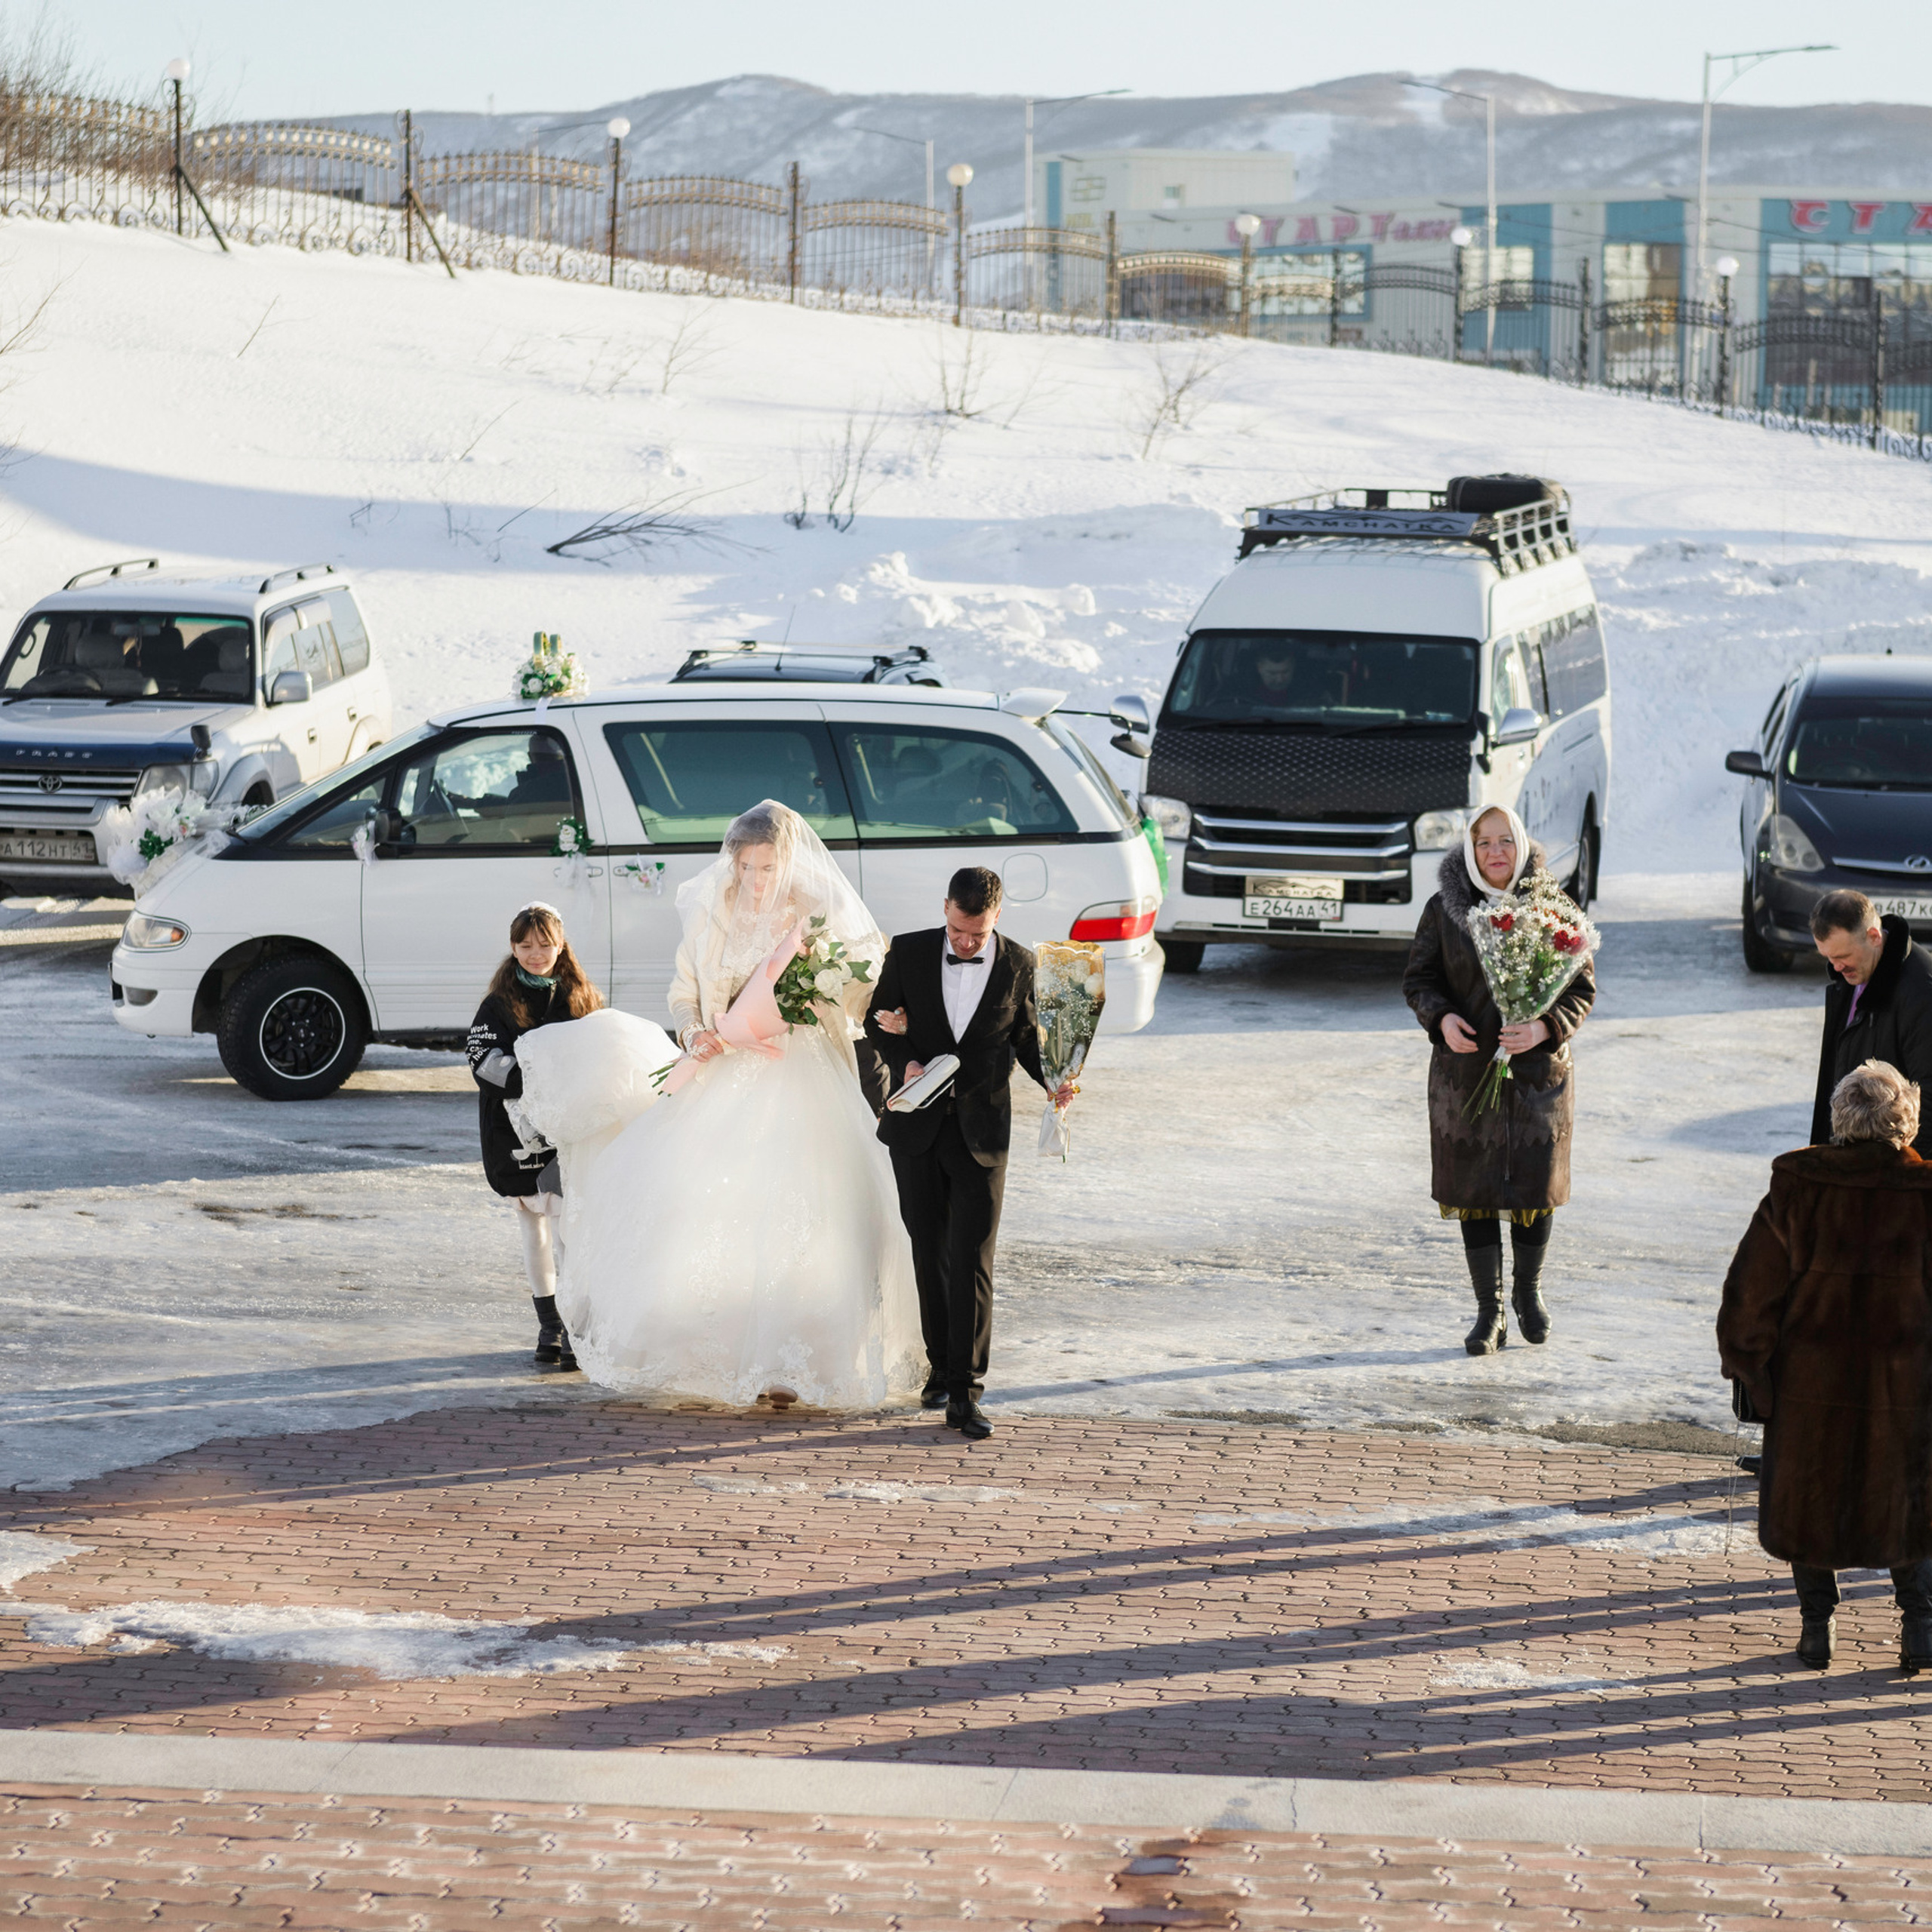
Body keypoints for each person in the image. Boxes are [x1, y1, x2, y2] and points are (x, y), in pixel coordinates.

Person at [543, 801, 924, 1409]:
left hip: (800, 1074)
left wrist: (823, 994)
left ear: (788, 861)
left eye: (768, 866)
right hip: (723, 1070)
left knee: (804, 1215)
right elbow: (683, 991)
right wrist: (695, 1030)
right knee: (709, 1209)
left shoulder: (815, 912)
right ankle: (709, 1354)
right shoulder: (709, 914)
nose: (756, 878)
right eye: (746, 865)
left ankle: (801, 1358)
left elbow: (858, 987)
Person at [1718, 1060, 1932, 1672]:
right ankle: (1921, 1627)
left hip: (1811, 1386)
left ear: (1840, 1120)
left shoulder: (1798, 1189)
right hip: (1908, 1386)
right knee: (1911, 1498)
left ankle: (1818, 1631)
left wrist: (1751, 1369)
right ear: (1907, 1124)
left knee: (1808, 1499)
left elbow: (1751, 1293)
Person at [866, 866, 1073, 1441]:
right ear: (946, 909)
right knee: (929, 1251)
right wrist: (904, 1055)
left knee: (973, 1260)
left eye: (976, 935)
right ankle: (937, 1368)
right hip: (917, 1130)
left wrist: (1056, 1078)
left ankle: (966, 1391)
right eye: (958, 931)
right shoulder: (906, 952)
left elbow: (1029, 1039)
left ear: (997, 918)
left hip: (983, 1135)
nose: (965, 942)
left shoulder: (1021, 965)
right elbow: (876, 1021)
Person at [1401, 804, 1596, 1354]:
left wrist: (1544, 1027)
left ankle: (1527, 1293)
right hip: (1468, 1077)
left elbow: (1581, 988)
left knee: (1534, 1188)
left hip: (1538, 1078)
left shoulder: (1553, 908)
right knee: (1477, 1191)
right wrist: (1441, 1019)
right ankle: (1489, 1312)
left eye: (1505, 840)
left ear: (1522, 843)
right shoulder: (1445, 910)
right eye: (1483, 842)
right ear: (1469, 848)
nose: (1494, 852)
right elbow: (1419, 978)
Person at [466, 902, 603, 1369]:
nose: (535, 953)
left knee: (569, 1228)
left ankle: (576, 1324)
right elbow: (482, 1060)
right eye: (525, 945)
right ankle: (550, 1327)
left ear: (560, 943)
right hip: (515, 1132)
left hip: (569, 1129)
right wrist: (534, 1085)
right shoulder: (498, 1004)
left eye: (544, 944)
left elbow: (598, 1053)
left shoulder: (582, 995)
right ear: (513, 946)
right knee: (534, 1230)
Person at [1810, 890, 1932, 1157]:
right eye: (1828, 958)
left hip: (1891, 1173)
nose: (1836, 967)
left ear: (1874, 937)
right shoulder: (1851, 977)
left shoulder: (1922, 990)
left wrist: (1912, 1178)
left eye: (1842, 956)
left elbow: (1929, 1093)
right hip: (1855, 1164)